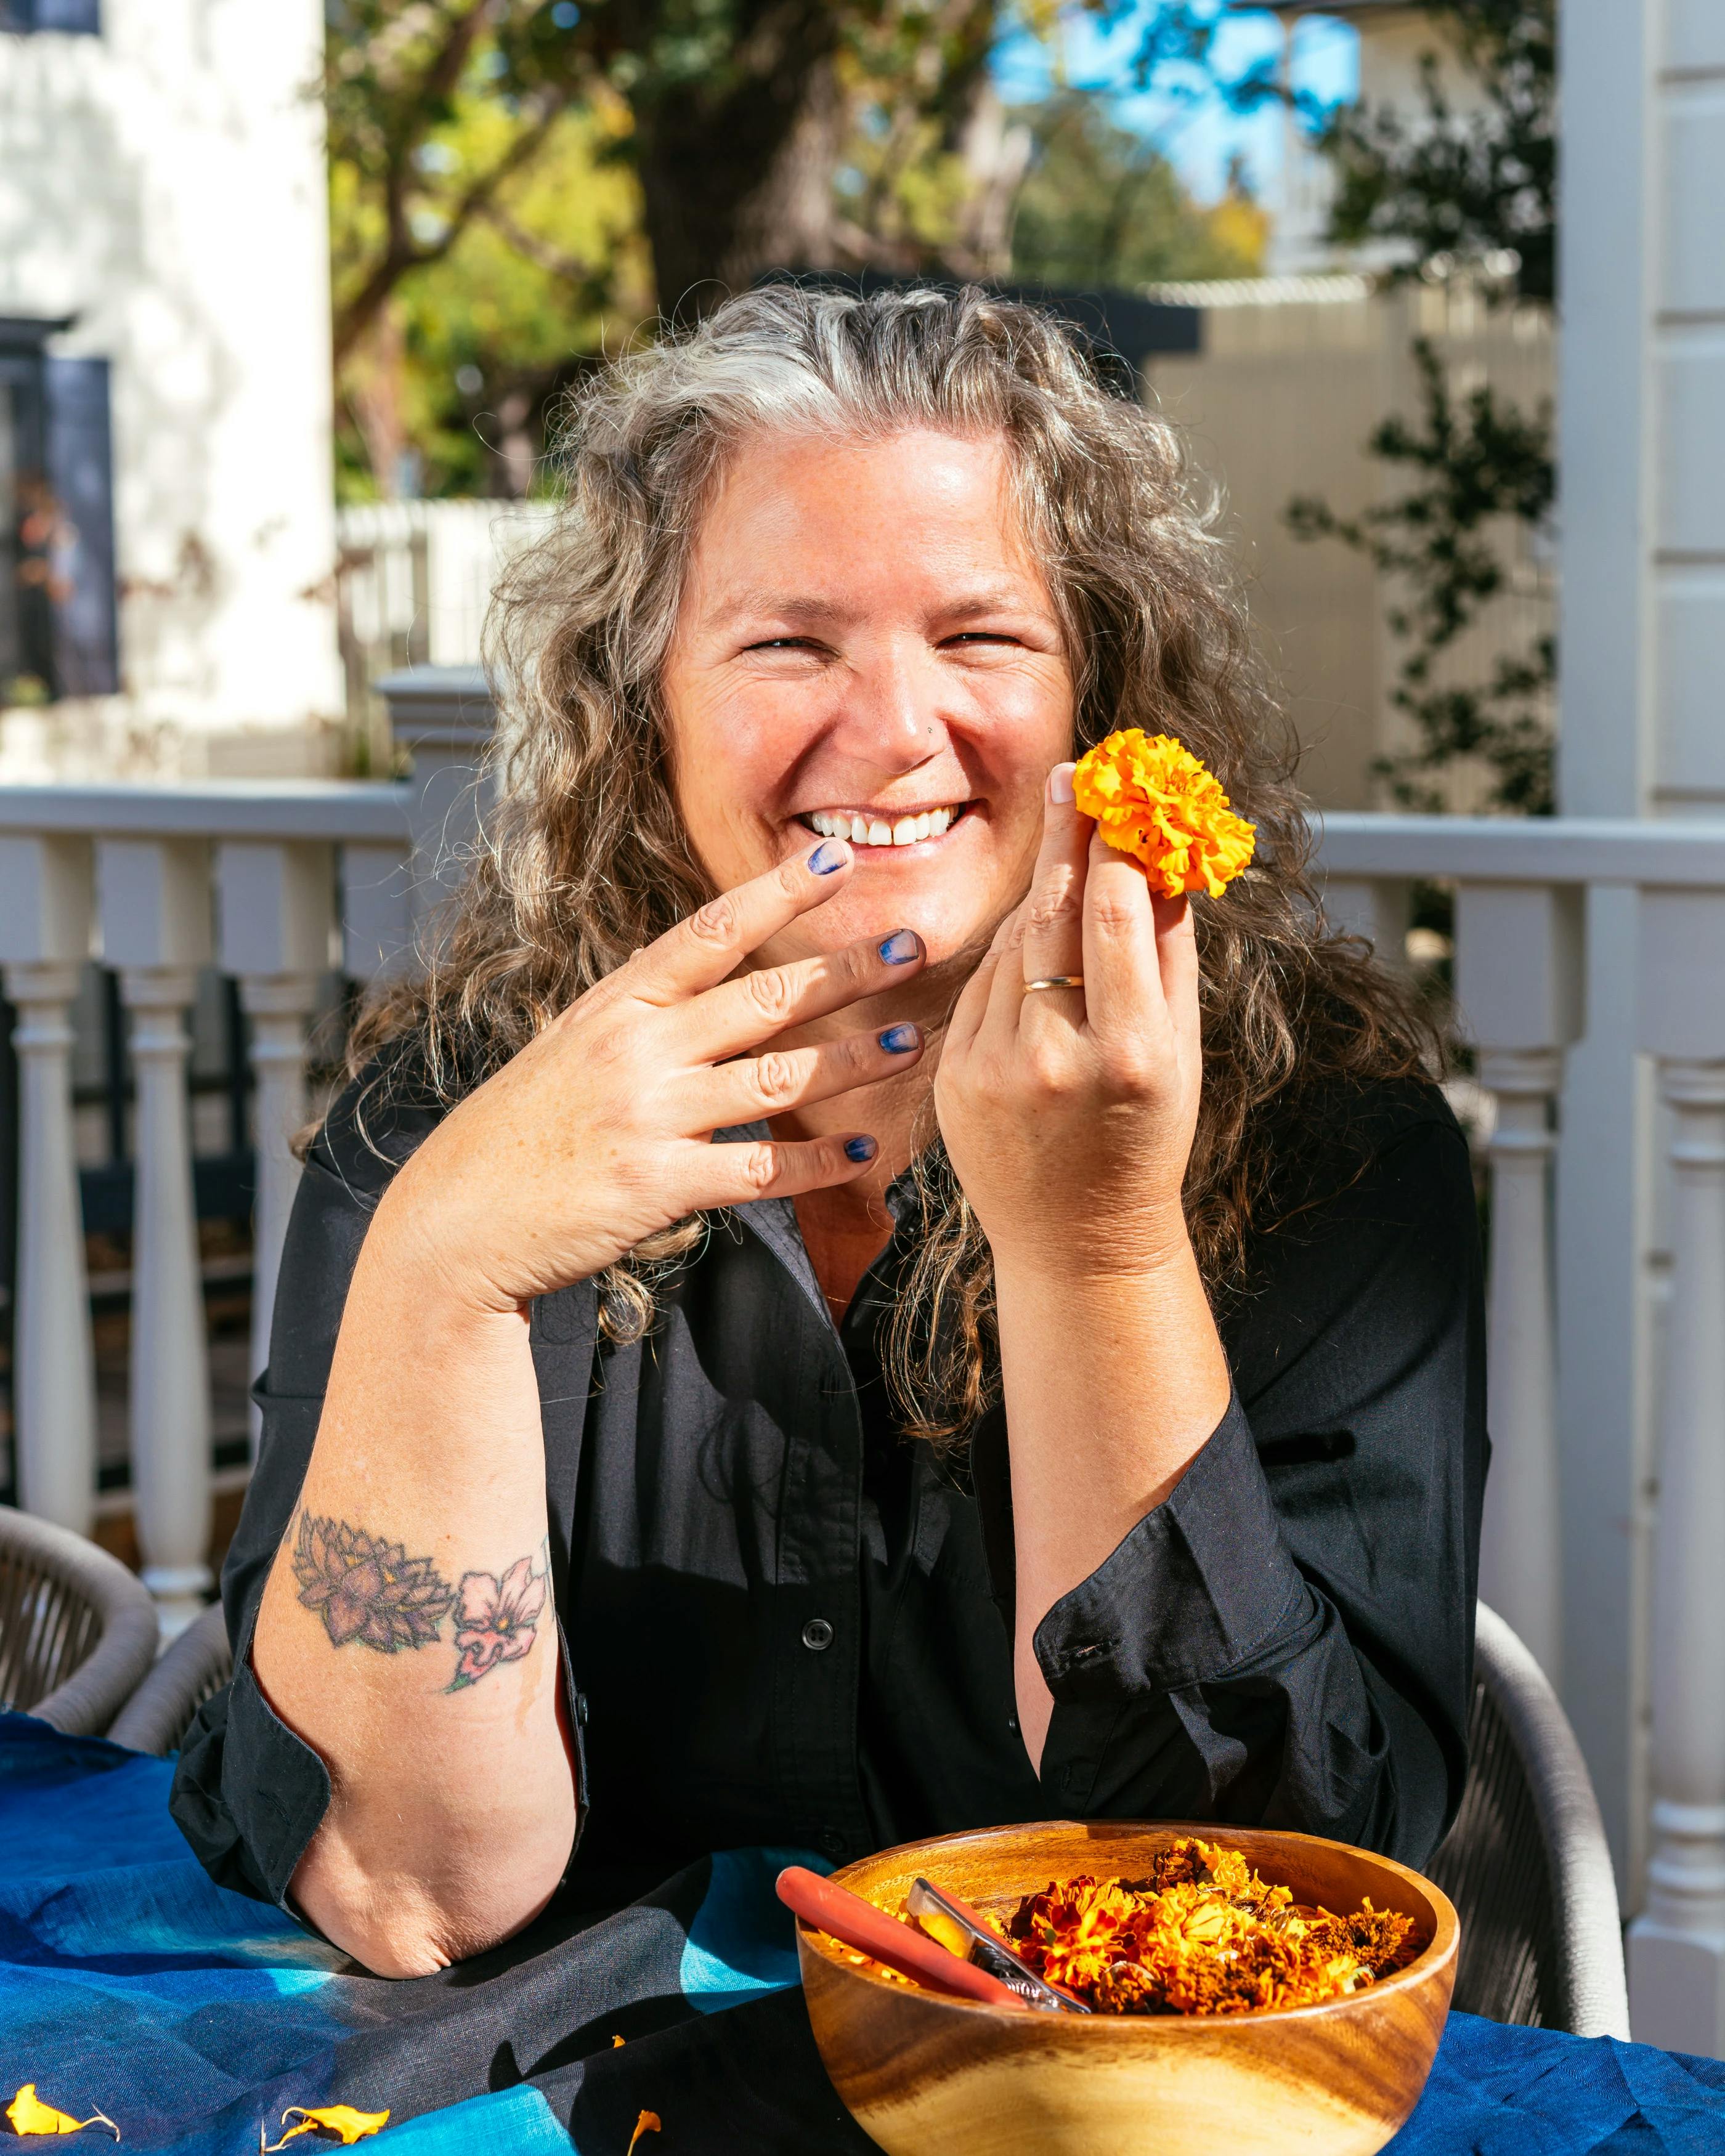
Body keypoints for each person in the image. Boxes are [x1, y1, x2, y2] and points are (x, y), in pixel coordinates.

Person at [172, 285, 1486, 1981]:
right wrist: (442, 1268)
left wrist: (1097, 1244)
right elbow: (405, 1893)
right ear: (646, 708)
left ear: (1103, 702)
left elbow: (1266, 1908)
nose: (891, 727)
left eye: (982, 637)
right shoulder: (449, 1122)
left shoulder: (1334, 1142)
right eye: (790, 643)